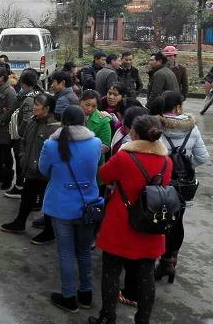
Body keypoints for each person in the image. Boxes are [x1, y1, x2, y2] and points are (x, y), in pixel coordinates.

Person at [89, 115, 173, 324]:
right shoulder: (166, 161)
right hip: (149, 224)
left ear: (134, 133)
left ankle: (107, 317)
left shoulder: (124, 157)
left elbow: (104, 175)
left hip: (121, 223)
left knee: (111, 272)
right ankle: (142, 320)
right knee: (146, 277)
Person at [38, 105, 103, 313]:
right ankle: (86, 294)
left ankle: (68, 297)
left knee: (65, 253)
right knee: (84, 251)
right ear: (84, 121)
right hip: (88, 205)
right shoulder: (95, 143)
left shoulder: (51, 144)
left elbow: (43, 169)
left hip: (61, 206)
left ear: (63, 121)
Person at [149, 91, 209, 284]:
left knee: (159, 221)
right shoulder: (192, 129)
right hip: (183, 187)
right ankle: (170, 260)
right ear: (178, 107)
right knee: (178, 222)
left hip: (161, 184)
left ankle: (157, 259)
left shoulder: (155, 127)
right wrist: (185, 167)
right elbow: (203, 157)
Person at [0, 94, 58, 238]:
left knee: (47, 201)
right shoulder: (32, 120)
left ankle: (49, 231)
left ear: (47, 109)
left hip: (45, 173)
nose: (33, 107)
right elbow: (23, 140)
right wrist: (22, 157)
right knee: (27, 197)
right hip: (30, 170)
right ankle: (20, 223)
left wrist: (42, 166)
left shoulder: (55, 128)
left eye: (37, 105)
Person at [5, 69, 42, 197]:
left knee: (21, 160)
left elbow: (26, 120)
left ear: (23, 83)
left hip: (26, 136)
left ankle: (20, 186)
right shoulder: (39, 93)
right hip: (36, 134)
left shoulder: (28, 99)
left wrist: (18, 134)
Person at [80, 90, 112, 165]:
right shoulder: (72, 115)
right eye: (87, 105)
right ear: (80, 101)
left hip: (94, 163)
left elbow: (105, 146)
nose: (90, 108)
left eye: (94, 106)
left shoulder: (103, 120)